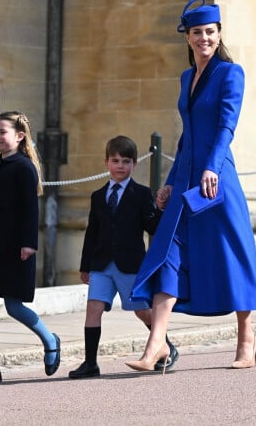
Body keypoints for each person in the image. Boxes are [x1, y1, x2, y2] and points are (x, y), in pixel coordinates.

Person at [126, 0, 256, 373]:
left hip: (217, 179)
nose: (204, 38)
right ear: (187, 37)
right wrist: (170, 182)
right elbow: (187, 136)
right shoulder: (187, 77)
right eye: (197, 32)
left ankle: (247, 337)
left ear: (219, 35)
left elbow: (225, 127)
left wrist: (212, 167)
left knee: (232, 254)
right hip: (187, 177)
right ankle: (156, 345)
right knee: (167, 253)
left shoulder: (231, 74)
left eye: (210, 32)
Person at [68, 136, 179, 379]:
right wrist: (85, 265)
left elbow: (151, 226)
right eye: (115, 160)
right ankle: (90, 363)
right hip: (101, 264)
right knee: (93, 308)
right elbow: (92, 232)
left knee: (141, 311)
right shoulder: (98, 196)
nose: (120, 166)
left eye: (126, 161)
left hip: (130, 265)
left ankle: (166, 346)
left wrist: (161, 210)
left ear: (135, 164)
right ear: (106, 162)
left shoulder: (140, 194)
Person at [0, 111, 60, 384]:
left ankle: (50, 339)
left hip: (14, 247)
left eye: (2, 132)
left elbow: (31, 209)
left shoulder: (24, 167)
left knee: (14, 307)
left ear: (19, 136)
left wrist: (29, 243)